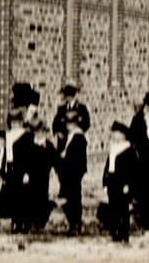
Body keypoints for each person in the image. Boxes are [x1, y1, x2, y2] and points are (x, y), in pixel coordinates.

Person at [103, 121, 136, 243]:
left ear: (123, 135)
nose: (115, 136)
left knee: (123, 209)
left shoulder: (129, 150)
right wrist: (105, 182)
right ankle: (115, 232)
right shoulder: (113, 149)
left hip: (123, 183)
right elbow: (107, 167)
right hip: (112, 181)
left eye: (117, 133)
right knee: (113, 207)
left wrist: (128, 184)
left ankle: (124, 234)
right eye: (114, 133)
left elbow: (132, 170)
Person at [58, 108, 87, 236]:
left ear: (75, 123)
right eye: (67, 123)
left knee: (73, 199)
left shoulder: (79, 137)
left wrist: (65, 156)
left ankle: (76, 224)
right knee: (67, 199)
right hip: (67, 172)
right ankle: (73, 223)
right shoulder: (69, 136)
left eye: (70, 123)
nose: (68, 125)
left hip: (74, 172)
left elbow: (78, 158)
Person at [52, 84, 90, 148]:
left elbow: (86, 123)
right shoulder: (61, 108)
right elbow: (56, 122)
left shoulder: (82, 108)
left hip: (77, 140)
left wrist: (77, 130)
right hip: (63, 140)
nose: (66, 97)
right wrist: (58, 132)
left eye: (68, 95)